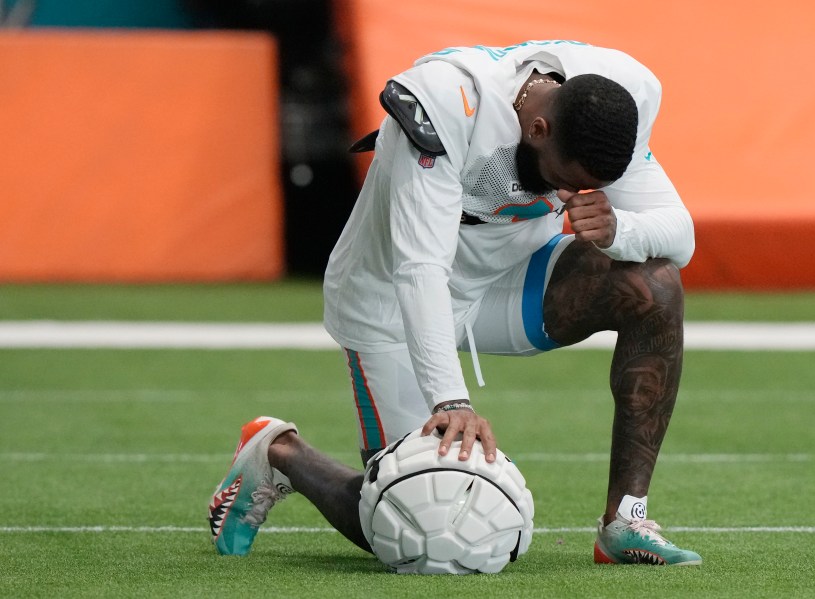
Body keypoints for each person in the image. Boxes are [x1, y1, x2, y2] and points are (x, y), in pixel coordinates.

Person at [208, 40, 701, 566]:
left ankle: (624, 519)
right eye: (566, 183)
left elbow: (680, 237)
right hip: (392, 302)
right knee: (414, 524)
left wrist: (618, 228)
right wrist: (452, 402)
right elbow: (419, 266)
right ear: (538, 130)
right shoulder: (446, 102)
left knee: (656, 287)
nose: (569, 197)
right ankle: (281, 453)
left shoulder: (617, 94)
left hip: (507, 280)